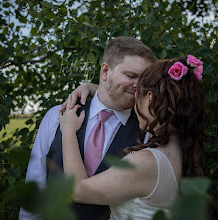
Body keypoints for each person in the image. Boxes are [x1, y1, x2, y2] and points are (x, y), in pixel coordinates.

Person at [19, 36, 157, 220]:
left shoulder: (147, 133)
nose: (138, 86)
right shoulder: (56, 116)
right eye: (131, 76)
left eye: (144, 80)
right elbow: (35, 185)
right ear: (105, 71)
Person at [60, 55, 208, 220]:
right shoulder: (182, 149)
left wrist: (68, 130)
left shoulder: (146, 162)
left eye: (137, 94)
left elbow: (77, 190)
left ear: (150, 98)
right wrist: (95, 89)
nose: (134, 100)